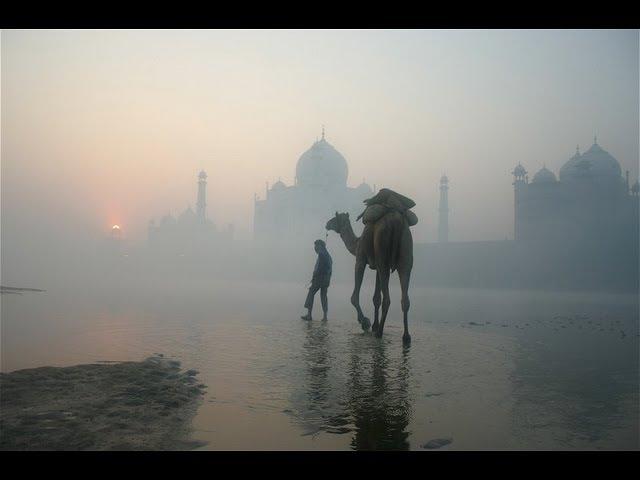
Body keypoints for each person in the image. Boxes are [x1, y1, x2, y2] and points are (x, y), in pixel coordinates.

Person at [301, 239, 332, 321]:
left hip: (320, 279)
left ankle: (309, 315)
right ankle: (325, 316)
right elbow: (329, 269)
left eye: (316, 246)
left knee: (311, 293)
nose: (315, 248)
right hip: (326, 280)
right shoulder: (328, 255)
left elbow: (319, 268)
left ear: (320, 246)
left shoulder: (321, 254)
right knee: (324, 296)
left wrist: (314, 277)